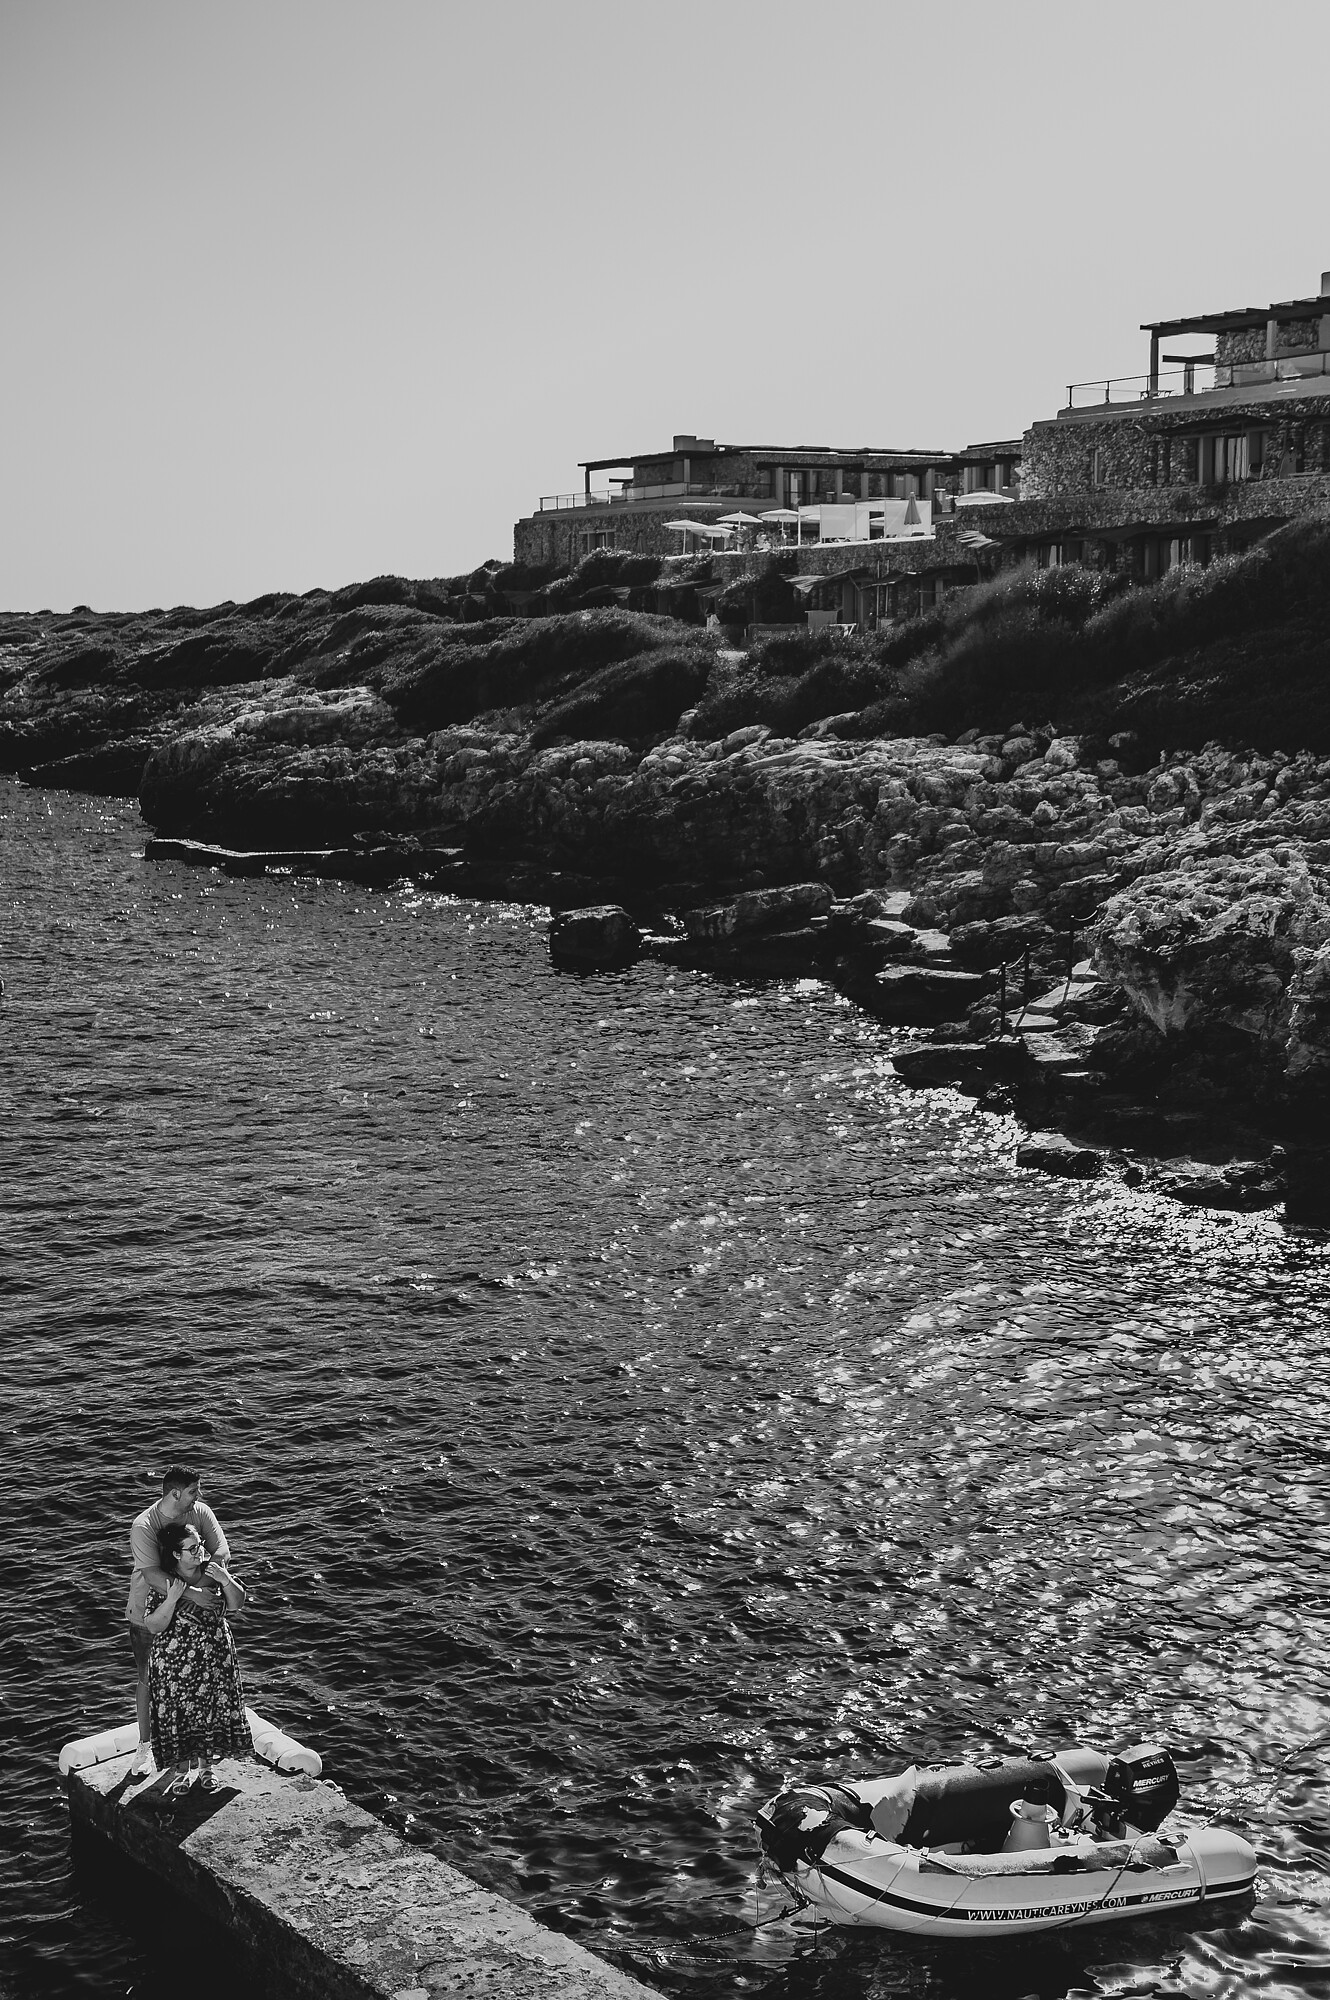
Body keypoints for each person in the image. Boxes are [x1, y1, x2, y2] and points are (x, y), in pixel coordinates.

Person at [125, 1466, 231, 1772]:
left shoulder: (200, 1512)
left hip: (196, 1611)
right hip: (150, 1610)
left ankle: (200, 1749)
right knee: (148, 1679)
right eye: (193, 1491)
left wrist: (207, 1584)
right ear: (174, 1493)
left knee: (200, 1678)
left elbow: (222, 1550)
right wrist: (195, 1594)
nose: (199, 1496)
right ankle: (145, 1747)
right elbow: (153, 1576)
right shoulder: (144, 1525)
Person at [142, 1520, 247, 1793]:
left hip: (215, 1657)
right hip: (176, 1663)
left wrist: (226, 1580)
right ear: (176, 1554)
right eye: (192, 1548)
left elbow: (237, 1604)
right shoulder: (166, 1582)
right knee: (180, 1716)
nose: (200, 1551)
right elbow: (153, 1625)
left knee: (210, 1712)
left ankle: (206, 1768)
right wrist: (172, 1599)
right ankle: (181, 1772)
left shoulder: (214, 1571)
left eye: (200, 1545)